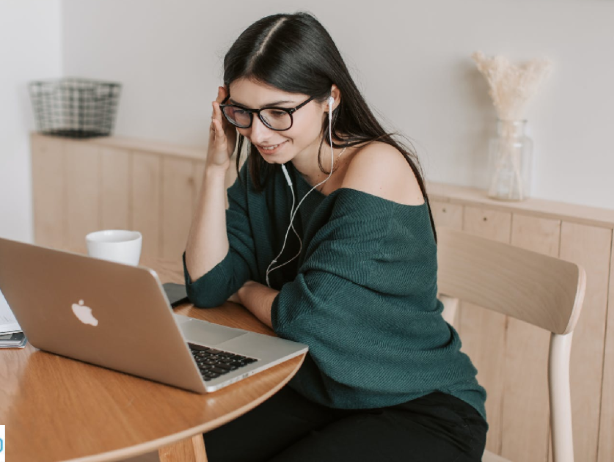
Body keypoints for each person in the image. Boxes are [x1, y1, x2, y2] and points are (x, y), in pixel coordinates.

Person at [182, 11, 487, 462]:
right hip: (318, 390)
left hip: (420, 403)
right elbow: (207, 286)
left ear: (330, 98)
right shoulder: (268, 168)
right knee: (188, 446)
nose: (259, 133)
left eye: (279, 112)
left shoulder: (375, 164)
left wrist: (245, 288)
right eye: (242, 112)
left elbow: (306, 316)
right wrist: (214, 167)